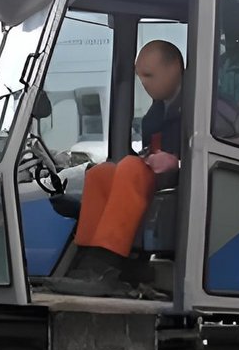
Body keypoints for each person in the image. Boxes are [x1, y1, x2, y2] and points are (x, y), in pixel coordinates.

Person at [52, 40, 185, 296]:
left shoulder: (202, 107)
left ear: (175, 68)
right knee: (101, 173)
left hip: (187, 186)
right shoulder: (155, 115)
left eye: (149, 75)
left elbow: (220, 151)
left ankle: (106, 266)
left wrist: (178, 162)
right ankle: (87, 261)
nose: (144, 84)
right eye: (140, 77)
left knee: (131, 169)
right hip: (163, 184)